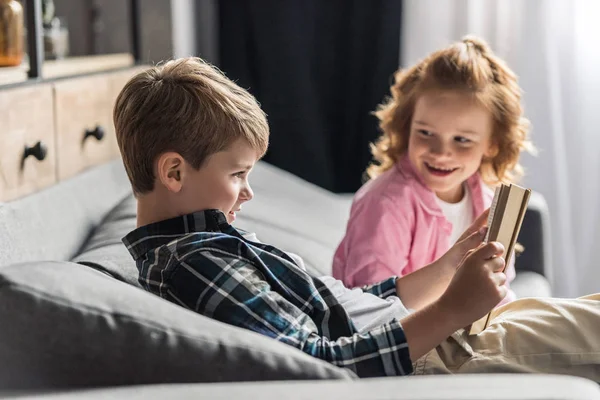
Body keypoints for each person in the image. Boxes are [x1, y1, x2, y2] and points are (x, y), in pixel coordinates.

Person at [116, 56, 600, 381]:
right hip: (431, 349)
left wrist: (451, 266)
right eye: (238, 173)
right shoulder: (194, 263)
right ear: (175, 171)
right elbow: (323, 361)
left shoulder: (210, 241)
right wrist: (454, 309)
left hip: (426, 329)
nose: (248, 191)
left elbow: (346, 307)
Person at [333, 37, 536, 308]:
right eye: (426, 133)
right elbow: (369, 305)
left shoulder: (487, 201)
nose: (440, 153)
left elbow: (499, 285)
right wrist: (452, 264)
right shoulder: (386, 203)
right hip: (411, 338)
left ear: (492, 144)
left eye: (462, 140)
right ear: (407, 128)